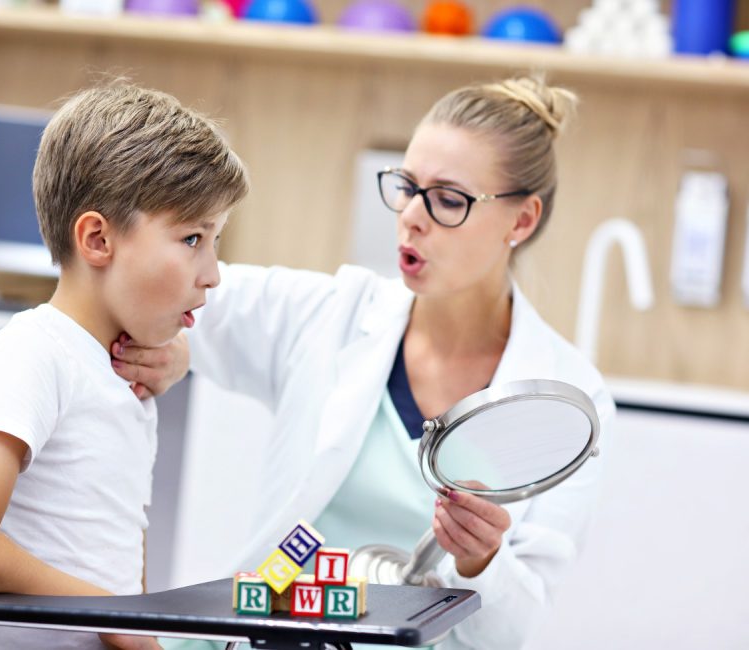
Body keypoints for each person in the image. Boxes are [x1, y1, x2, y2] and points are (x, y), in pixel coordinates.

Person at [111, 75, 616, 649]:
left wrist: (482, 562)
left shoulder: (568, 396)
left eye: (449, 200)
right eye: (407, 186)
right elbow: (164, 284)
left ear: (521, 220)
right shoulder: (335, 313)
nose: (412, 216)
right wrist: (175, 341)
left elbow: (511, 633)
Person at [0, 83, 248, 650]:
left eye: (215, 240)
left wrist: (134, 624)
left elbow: (113, 561)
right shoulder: (35, 352)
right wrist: (114, 617)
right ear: (97, 239)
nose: (213, 273)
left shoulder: (123, 377)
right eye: (193, 238)